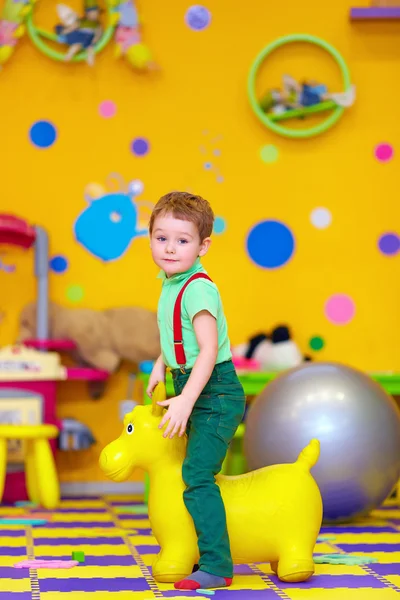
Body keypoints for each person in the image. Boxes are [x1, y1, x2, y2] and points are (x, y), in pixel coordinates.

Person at [146, 191, 246, 591]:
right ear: (150, 238)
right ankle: (192, 545)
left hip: (215, 392)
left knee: (196, 474)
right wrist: (161, 363)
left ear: (203, 245)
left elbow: (207, 350)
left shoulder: (199, 288)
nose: (170, 248)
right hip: (190, 383)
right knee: (185, 471)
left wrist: (187, 399)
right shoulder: (171, 282)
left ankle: (217, 565)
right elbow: (178, 336)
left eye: (182, 240)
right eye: (161, 237)